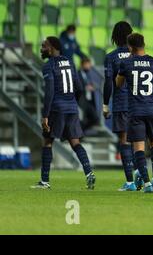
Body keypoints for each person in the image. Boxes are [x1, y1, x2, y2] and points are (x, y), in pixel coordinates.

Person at [31, 36, 95, 190]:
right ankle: (89, 173)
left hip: (56, 109)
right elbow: (79, 87)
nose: (42, 48)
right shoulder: (70, 62)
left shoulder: (48, 66)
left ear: (52, 48)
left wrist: (45, 115)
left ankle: (45, 181)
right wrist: (72, 102)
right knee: (76, 143)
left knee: (47, 141)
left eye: (44, 46)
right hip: (71, 108)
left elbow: (50, 91)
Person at [116, 33, 153, 193]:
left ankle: (147, 184)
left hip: (136, 111)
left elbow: (118, 84)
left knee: (138, 148)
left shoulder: (126, 63)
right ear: (144, 44)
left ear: (130, 47)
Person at [103, 21, 134, 191]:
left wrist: (105, 104)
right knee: (137, 141)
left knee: (124, 141)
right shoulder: (137, 55)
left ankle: (130, 181)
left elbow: (108, 83)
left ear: (114, 36)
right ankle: (143, 179)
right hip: (138, 104)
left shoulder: (111, 57)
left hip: (122, 103)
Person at [78, 57, 100, 132]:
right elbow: (77, 86)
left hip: (89, 101)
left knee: (95, 119)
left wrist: (92, 86)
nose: (89, 66)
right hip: (81, 100)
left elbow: (89, 84)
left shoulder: (88, 75)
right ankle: (79, 134)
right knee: (83, 119)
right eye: (88, 65)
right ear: (82, 65)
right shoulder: (77, 74)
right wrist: (85, 87)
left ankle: (80, 132)